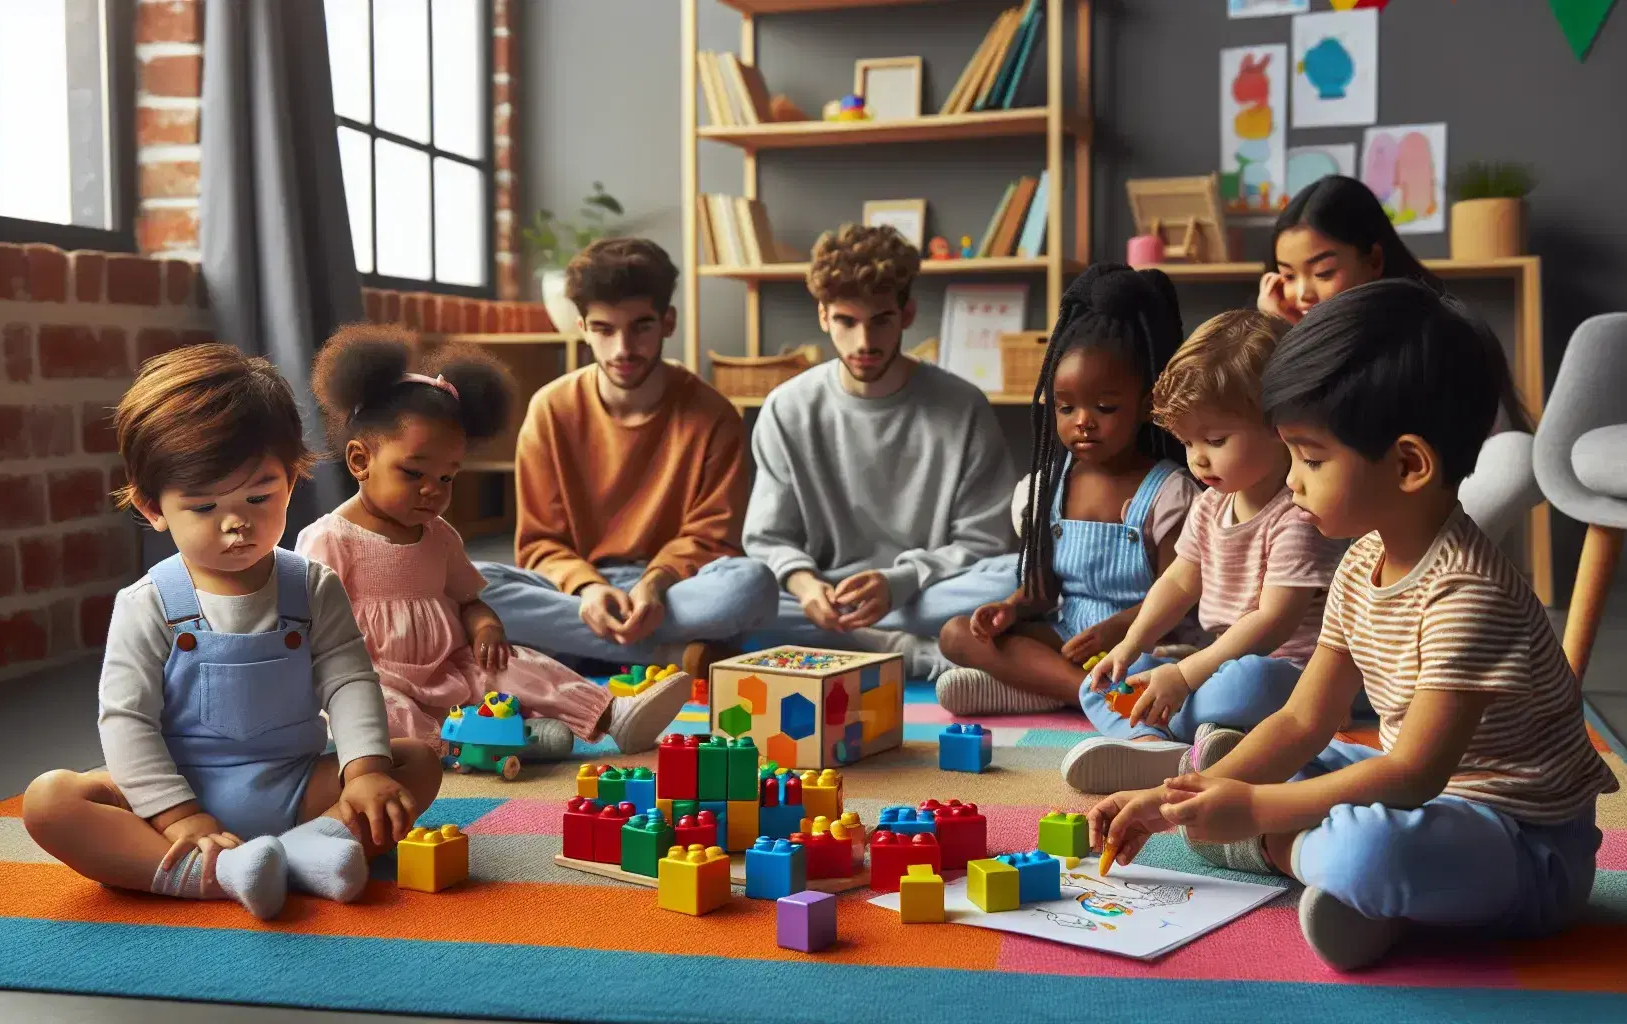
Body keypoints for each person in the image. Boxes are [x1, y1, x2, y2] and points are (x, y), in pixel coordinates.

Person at [1089, 280, 1616, 972]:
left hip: (1522, 843)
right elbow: (1305, 719)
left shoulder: (1469, 596)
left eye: (1310, 459)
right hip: (1420, 792)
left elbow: (1411, 774)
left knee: (1362, 846)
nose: (1294, 482)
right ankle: (1358, 893)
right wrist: (1166, 802)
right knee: (1232, 770)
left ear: (1407, 465)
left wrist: (1255, 812)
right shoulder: (1364, 556)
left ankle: (1317, 864)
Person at [21, 344, 441, 921]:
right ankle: (214, 872)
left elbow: (349, 680)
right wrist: (180, 818)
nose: (237, 522)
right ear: (152, 507)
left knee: (415, 761)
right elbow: (127, 721)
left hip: (297, 789)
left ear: (292, 480)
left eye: (259, 497)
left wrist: (364, 772)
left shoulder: (313, 587)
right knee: (51, 802)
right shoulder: (148, 605)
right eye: (204, 506)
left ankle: (308, 845)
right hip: (177, 800)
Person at [297, 324, 692, 759]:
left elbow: (468, 600)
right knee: (373, 709)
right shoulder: (332, 538)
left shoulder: (439, 536)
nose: (433, 490)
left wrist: (486, 628)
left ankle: (613, 715)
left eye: (446, 477)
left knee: (520, 665)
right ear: (360, 460)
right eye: (413, 473)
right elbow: (309, 628)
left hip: (452, 669)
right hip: (376, 677)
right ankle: (471, 743)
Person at [1060, 310, 1346, 792]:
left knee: (1247, 684)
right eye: (1188, 442)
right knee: (1101, 685)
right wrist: (1131, 647)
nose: (1197, 458)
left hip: (1289, 674)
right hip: (1210, 662)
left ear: (1280, 426)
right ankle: (1161, 748)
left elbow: (1273, 621)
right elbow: (1177, 581)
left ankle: (1193, 736)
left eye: (1215, 440)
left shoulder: (1298, 516)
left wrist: (1186, 675)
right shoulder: (1211, 504)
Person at [478, 238, 777, 678]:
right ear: (582, 327)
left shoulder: (714, 414)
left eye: (640, 326)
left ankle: (574, 649)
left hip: (676, 590)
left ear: (667, 322)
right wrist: (590, 589)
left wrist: (653, 585)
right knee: (471, 586)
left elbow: (714, 540)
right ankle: (668, 656)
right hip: (574, 591)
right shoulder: (551, 409)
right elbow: (540, 543)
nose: (622, 348)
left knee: (753, 586)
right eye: (604, 329)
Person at [741, 223, 1020, 679]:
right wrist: (806, 584)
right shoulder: (787, 407)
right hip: (823, 598)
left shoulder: (963, 406)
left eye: (881, 321)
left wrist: (899, 583)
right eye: (846, 322)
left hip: (925, 592)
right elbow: (768, 539)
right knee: (741, 592)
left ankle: (864, 646)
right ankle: (917, 650)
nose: (864, 343)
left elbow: (986, 541)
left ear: (907, 313)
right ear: (823, 317)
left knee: (1015, 577)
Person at [933, 264, 1199, 713]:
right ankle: (1094, 697)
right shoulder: (1046, 488)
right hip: (1069, 636)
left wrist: (1121, 630)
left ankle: (1039, 691)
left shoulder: (1168, 493)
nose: (1083, 421)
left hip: (1144, 642)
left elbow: (1180, 597)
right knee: (956, 633)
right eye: (1065, 407)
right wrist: (1011, 609)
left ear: (1145, 405)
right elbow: (1042, 592)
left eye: (1105, 406)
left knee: (1176, 670)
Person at [1257, 175, 1538, 542]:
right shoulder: (1307, 331)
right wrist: (1283, 336)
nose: (1302, 293)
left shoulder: (1429, 340)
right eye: (1287, 275)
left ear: (1373, 259)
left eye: (1323, 272)